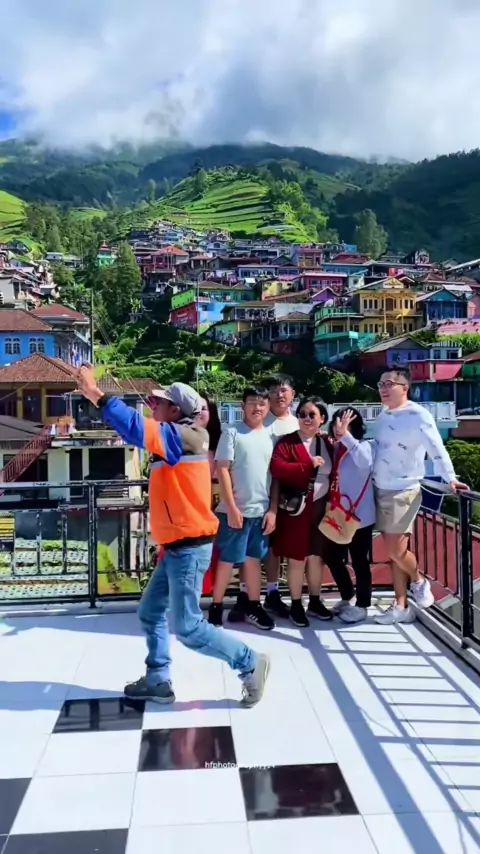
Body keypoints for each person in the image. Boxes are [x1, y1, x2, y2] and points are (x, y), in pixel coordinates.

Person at [75, 368, 269, 707]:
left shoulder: (185, 436)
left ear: (176, 410)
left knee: (189, 627)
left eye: (160, 402)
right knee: (151, 612)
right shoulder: (180, 436)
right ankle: (158, 680)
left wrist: (97, 394)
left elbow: (135, 427)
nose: (153, 405)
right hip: (178, 546)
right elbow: (136, 430)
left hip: (189, 547)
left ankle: (250, 662)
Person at [373, 368, 468, 625]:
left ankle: (419, 580)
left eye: (389, 383)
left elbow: (436, 448)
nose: (383, 388)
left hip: (404, 489)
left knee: (396, 549)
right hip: (380, 487)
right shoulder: (383, 416)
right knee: (394, 552)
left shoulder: (418, 415)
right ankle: (400, 605)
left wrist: (450, 478)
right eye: (380, 384)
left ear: (404, 387)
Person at [229, 374, 298, 623]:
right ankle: (245, 595)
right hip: (256, 497)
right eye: (274, 391)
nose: (279, 395)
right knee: (251, 549)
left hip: (291, 498)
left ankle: (272, 592)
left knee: (275, 548)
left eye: (284, 390)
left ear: (292, 394)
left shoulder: (297, 423)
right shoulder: (259, 421)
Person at [208, 385, 277, 630]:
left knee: (253, 560)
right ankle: (216, 607)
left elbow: (275, 477)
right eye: (252, 402)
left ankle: (254, 606)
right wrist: (232, 507)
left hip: (261, 512)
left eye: (262, 403)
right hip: (234, 512)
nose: (257, 407)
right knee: (227, 560)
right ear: (242, 405)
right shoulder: (232, 432)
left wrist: (272, 510)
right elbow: (222, 469)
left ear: (268, 407)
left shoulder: (271, 436)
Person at [270, 396, 333, 627]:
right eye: (302, 414)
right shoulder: (287, 442)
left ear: (322, 419)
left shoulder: (326, 443)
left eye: (311, 415)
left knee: (316, 558)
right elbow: (277, 467)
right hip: (297, 510)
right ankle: (296, 604)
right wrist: (307, 464)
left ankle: (315, 601)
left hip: (320, 509)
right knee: (297, 558)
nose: (306, 418)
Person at [323, 408, 376, 624]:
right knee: (332, 556)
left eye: (345, 424)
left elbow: (365, 463)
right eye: (337, 423)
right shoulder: (335, 448)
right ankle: (347, 594)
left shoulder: (365, 446)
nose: (339, 428)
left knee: (360, 560)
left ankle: (363, 604)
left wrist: (345, 435)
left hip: (359, 516)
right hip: (337, 513)